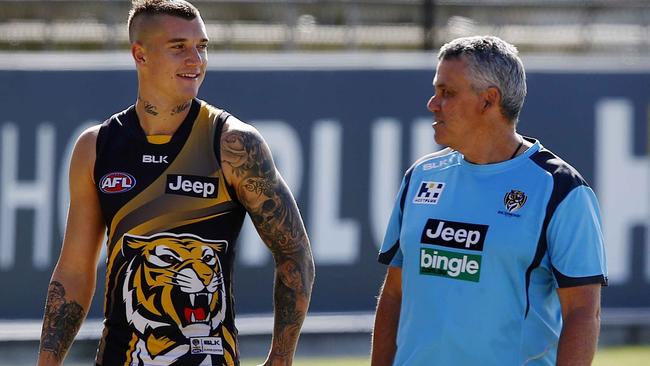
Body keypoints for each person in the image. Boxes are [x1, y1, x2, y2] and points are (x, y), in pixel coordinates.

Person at [37, 1, 314, 365]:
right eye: (179, 47)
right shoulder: (96, 147)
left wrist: (280, 359)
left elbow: (295, 255)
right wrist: (47, 361)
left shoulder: (233, 144)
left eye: (202, 46)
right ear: (141, 54)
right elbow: (74, 270)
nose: (195, 60)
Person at [371, 35, 607, 366]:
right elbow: (394, 293)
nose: (432, 103)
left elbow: (583, 311)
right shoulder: (420, 177)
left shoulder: (560, 190)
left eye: (447, 93)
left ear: (488, 100)